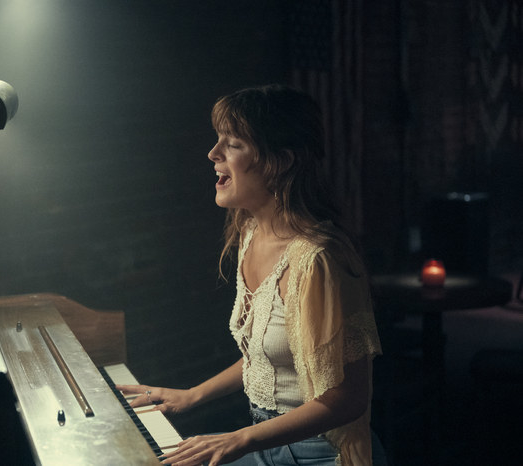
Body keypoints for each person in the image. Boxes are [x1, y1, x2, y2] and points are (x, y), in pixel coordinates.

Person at [118, 85, 383, 466]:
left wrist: (237, 440)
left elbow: (349, 398)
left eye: (233, 143)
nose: (213, 154)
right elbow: (272, 357)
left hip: (318, 452)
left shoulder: (319, 260)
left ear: (281, 161)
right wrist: (193, 395)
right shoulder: (249, 231)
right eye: (217, 140)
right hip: (263, 440)